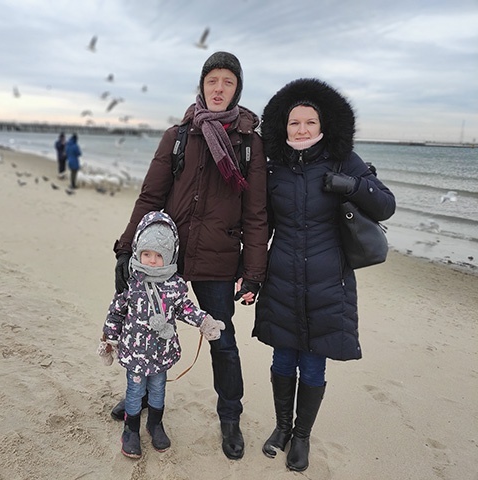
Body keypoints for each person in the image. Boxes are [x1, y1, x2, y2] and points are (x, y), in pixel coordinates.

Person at [110, 51, 269, 460]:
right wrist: (126, 249)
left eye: (228, 82)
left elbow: (256, 214)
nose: (219, 88)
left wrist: (253, 272)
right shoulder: (178, 136)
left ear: (237, 89)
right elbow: (151, 196)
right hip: (167, 258)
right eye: (212, 80)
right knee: (146, 329)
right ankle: (140, 398)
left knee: (223, 342)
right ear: (202, 84)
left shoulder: (250, 144)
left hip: (219, 259)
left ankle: (230, 418)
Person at [253, 78, 396, 472]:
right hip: (282, 276)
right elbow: (261, 223)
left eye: (309, 122)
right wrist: (251, 275)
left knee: (314, 362)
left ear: (323, 124)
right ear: (283, 126)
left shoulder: (343, 159)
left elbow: (385, 205)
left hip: (328, 280)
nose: (302, 129)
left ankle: (301, 437)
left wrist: (351, 185)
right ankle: (282, 428)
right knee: (283, 356)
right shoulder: (274, 166)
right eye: (294, 122)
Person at [99, 211, 226, 459]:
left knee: (158, 389)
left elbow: (185, 308)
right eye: (147, 254)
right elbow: (115, 312)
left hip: (161, 352)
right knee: (135, 391)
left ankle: (155, 424)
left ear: (169, 256)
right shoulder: (130, 282)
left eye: (159, 256)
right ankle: (130, 430)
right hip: (135, 353)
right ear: (138, 251)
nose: (152, 260)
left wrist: (204, 322)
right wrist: (109, 339)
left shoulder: (174, 284)